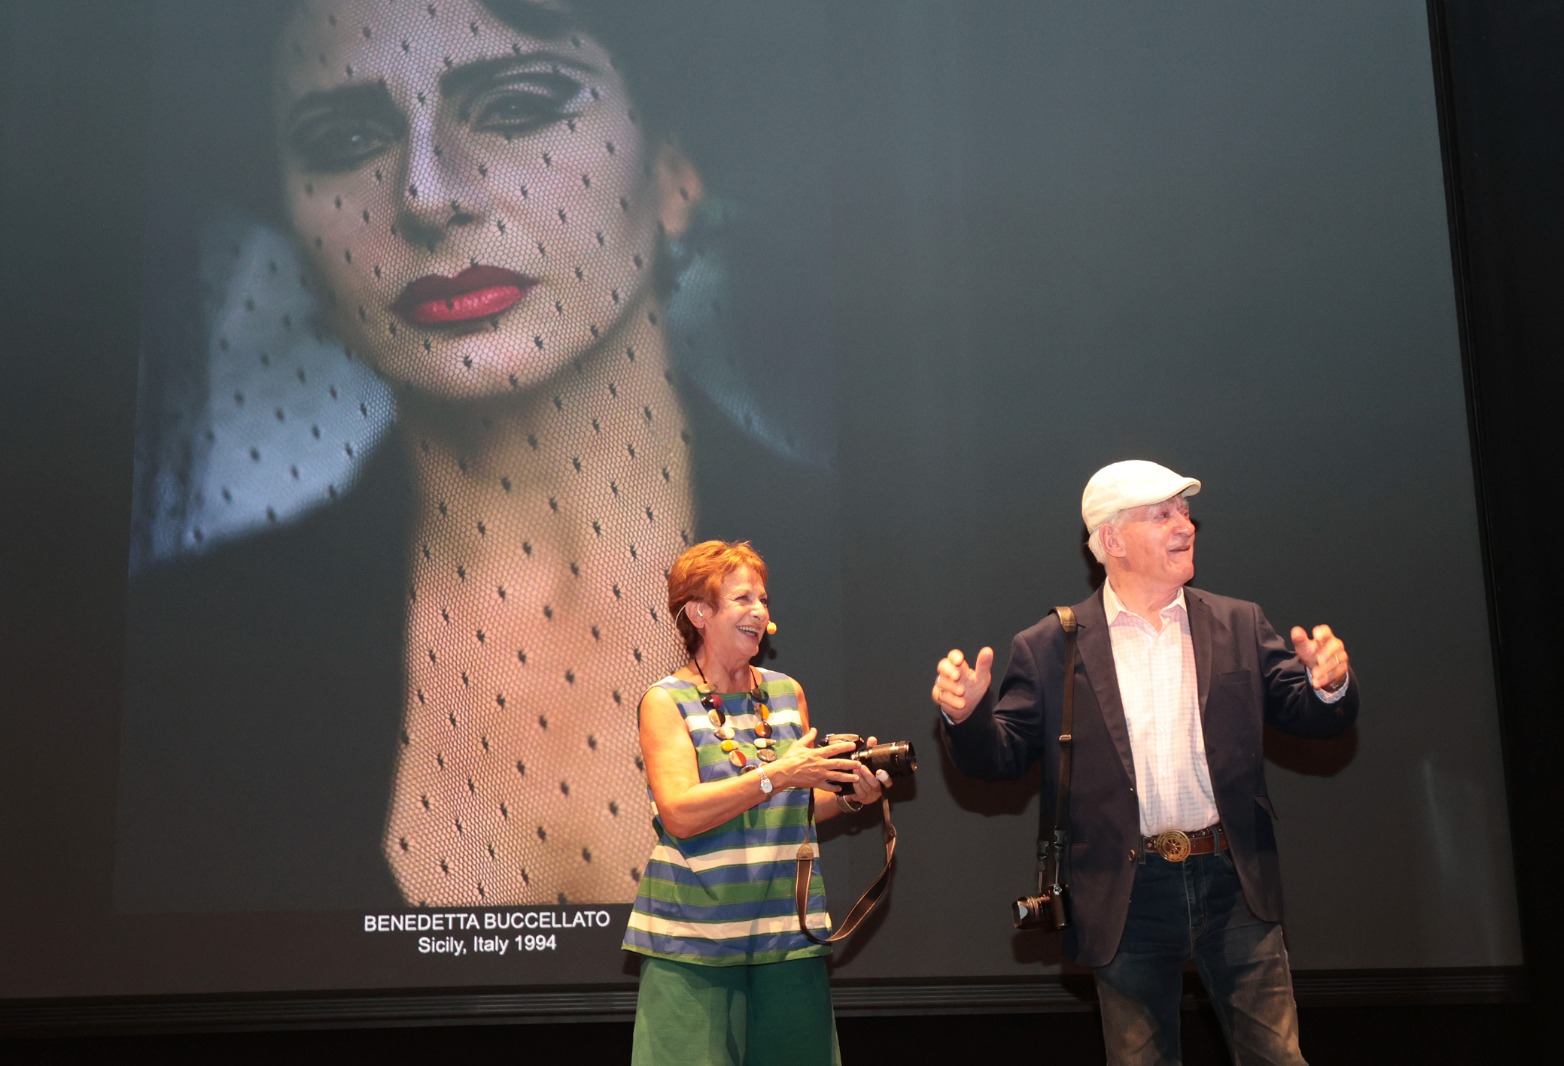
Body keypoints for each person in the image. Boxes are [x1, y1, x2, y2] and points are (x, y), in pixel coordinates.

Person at [115, 0, 835, 912]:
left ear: (673, 167)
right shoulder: (195, 663)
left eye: (519, 106)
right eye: (344, 138)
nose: (424, 194)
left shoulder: (879, 572)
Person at [933, 460, 1357, 1066]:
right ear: (1111, 541)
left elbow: (1310, 715)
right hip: (1124, 889)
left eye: (1184, 511)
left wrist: (1328, 686)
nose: (1185, 525)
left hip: (1233, 879)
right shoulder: (1051, 646)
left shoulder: (1238, 623)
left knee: (1278, 1058)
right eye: (1162, 514)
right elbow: (997, 759)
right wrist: (966, 717)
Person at [623, 540, 887, 1066]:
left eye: (763, 600)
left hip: (788, 936)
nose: (760, 612)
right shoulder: (665, 700)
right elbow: (680, 811)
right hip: (694, 945)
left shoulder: (786, 692)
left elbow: (798, 802)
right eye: (742, 599)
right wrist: (778, 774)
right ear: (699, 612)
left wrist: (852, 795)